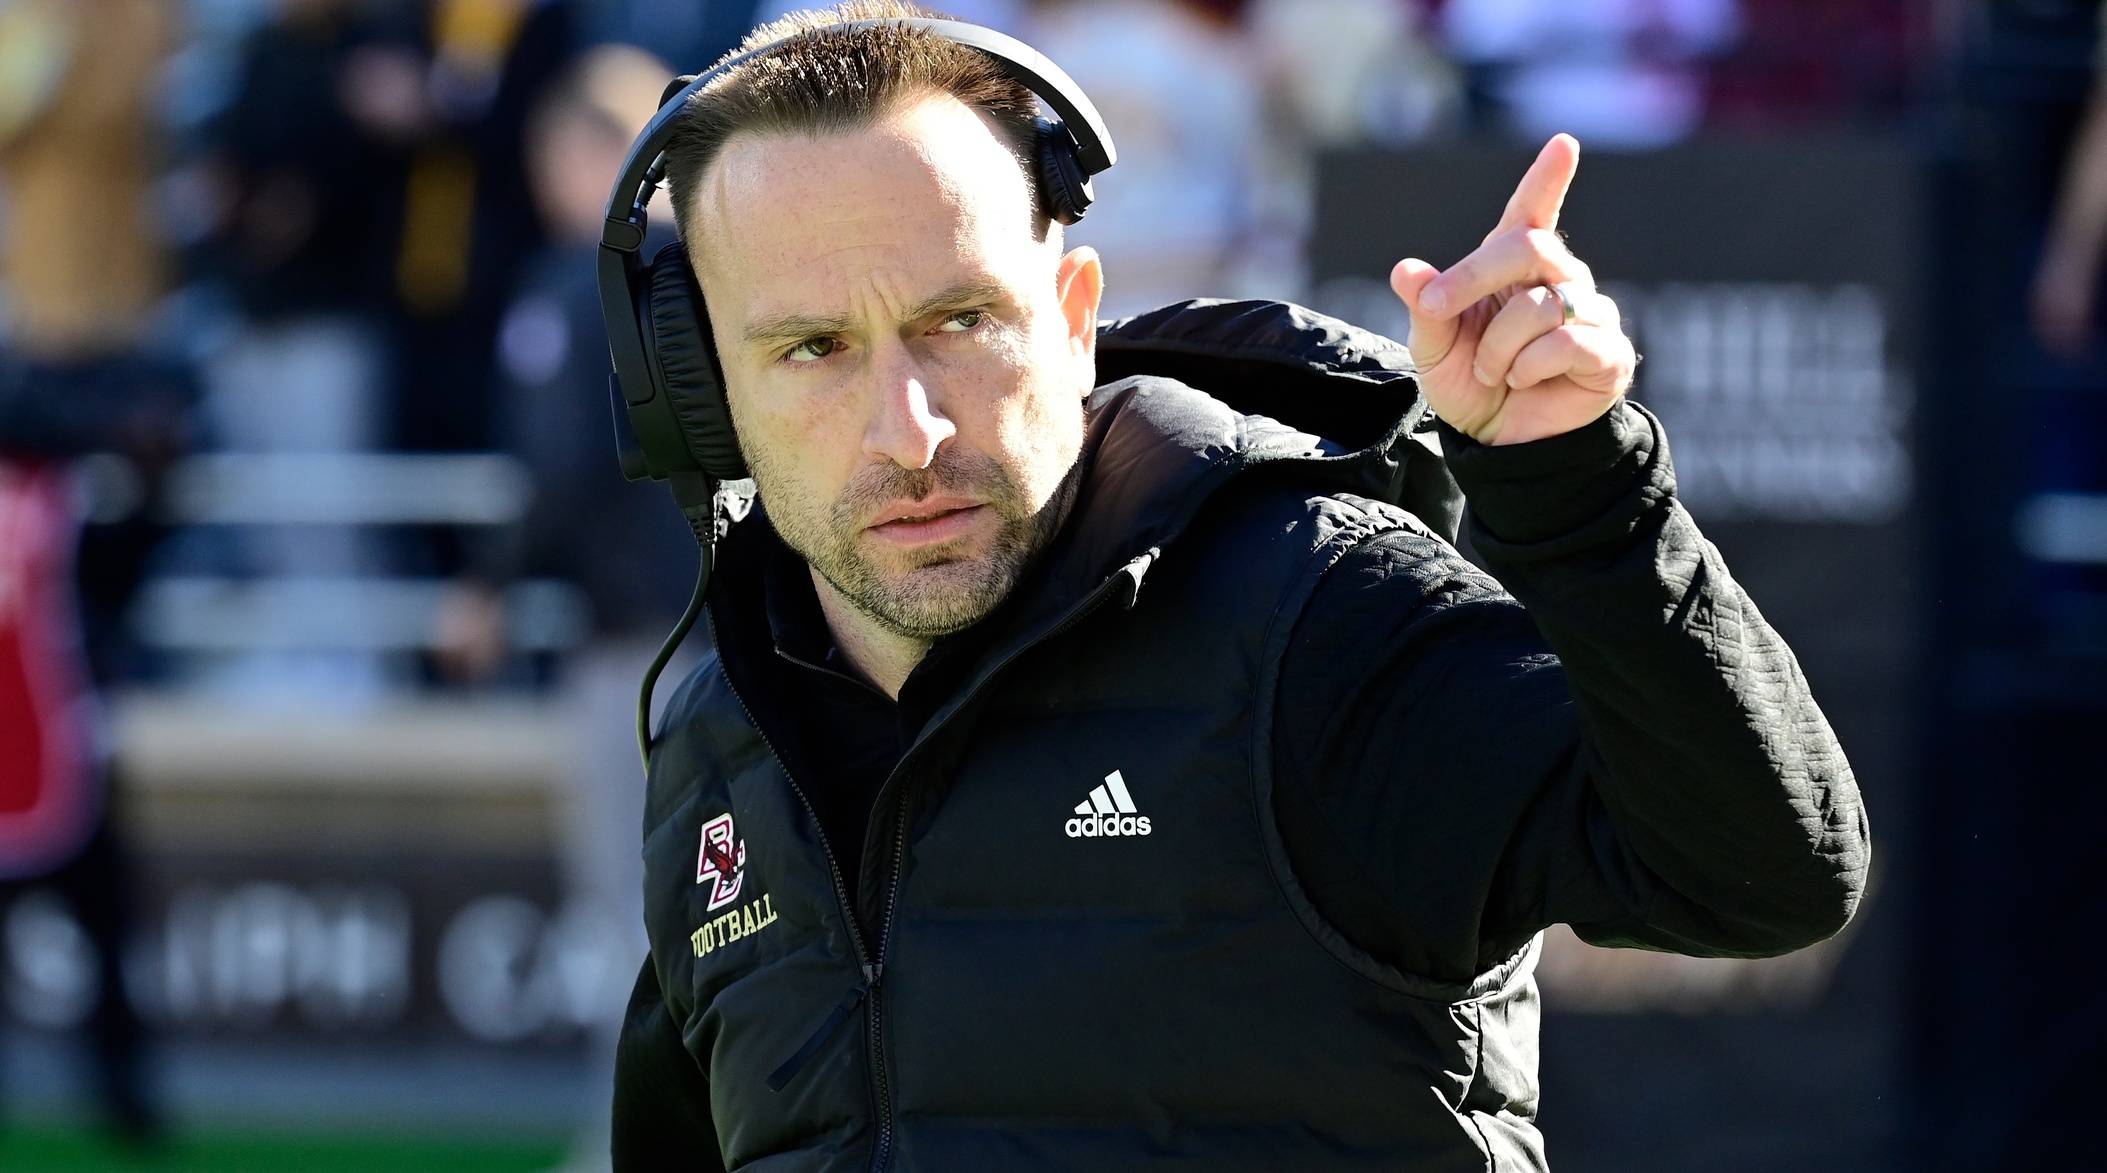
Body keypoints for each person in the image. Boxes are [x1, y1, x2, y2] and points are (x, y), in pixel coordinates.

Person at [608, 4, 1869, 1170]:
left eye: (959, 322)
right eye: (813, 348)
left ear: (1072, 313)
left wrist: (1578, 489)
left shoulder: (1318, 612)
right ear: (706, 393)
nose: (909, 429)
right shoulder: (723, 730)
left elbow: (1763, 876)